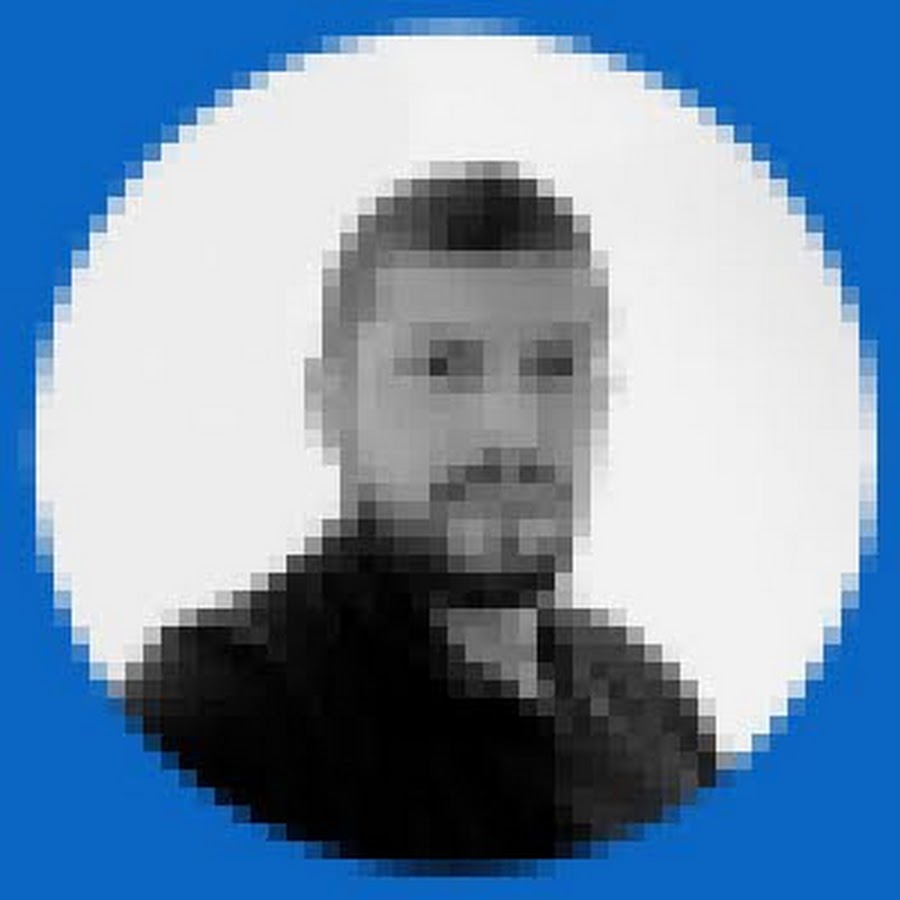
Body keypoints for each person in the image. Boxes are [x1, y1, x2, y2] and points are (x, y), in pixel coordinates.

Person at [123, 161, 716, 871]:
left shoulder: (658, 705)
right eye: (442, 366)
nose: (513, 428)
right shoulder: (209, 721)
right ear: (330, 405)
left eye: (558, 365)